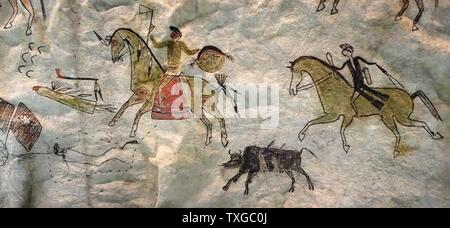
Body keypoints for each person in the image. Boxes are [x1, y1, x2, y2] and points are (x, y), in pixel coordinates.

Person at [335, 44, 390, 114]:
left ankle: (379, 102)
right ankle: (382, 98)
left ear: (351, 51)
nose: (347, 53)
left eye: (347, 51)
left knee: (363, 89)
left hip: (360, 78)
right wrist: (332, 67)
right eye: (345, 51)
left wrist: (381, 68)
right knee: (364, 89)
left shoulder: (357, 58)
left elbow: (369, 63)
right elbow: (340, 68)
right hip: (355, 80)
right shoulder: (347, 62)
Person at [148, 25, 200, 95]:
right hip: (168, 66)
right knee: (159, 78)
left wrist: (199, 50)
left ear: (178, 35)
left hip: (176, 68)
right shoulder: (169, 42)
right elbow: (157, 45)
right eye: (172, 32)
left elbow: (189, 52)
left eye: (174, 32)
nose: (172, 33)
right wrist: (151, 36)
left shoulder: (181, 44)